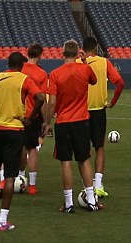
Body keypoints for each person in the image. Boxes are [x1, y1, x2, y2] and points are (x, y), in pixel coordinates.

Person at [0, 50, 44, 232]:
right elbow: (40, 97)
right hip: (14, 131)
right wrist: (30, 118)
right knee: (10, 176)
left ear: (7, 64)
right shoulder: (24, 80)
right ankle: (3, 221)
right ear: (21, 66)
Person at [42, 39, 100, 213]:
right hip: (82, 120)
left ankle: (68, 204)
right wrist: (83, 62)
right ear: (77, 53)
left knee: (66, 162)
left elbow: (51, 103)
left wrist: (47, 122)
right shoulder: (85, 68)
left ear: (62, 54)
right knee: (84, 160)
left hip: (63, 122)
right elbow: (94, 81)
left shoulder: (55, 74)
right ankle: (91, 200)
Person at [82, 35, 125, 199]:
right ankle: (98, 185)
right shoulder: (104, 62)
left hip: (81, 111)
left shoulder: (79, 63)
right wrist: (112, 102)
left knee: (84, 149)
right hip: (99, 110)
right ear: (96, 48)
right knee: (99, 146)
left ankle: (87, 186)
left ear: (84, 49)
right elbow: (120, 83)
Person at [18, 43, 49, 195]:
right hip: (33, 114)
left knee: (20, 147)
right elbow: (42, 99)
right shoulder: (41, 73)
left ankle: (19, 176)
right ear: (39, 55)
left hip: (18, 114)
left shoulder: (19, 69)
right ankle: (32, 185)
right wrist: (46, 120)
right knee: (32, 148)